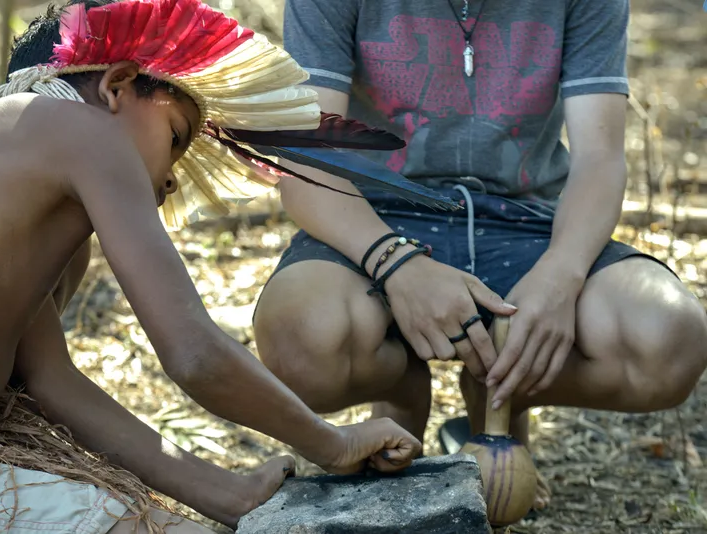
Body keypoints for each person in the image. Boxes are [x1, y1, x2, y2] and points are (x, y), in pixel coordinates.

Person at [0, 0, 422, 531]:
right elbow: (193, 352)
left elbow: (51, 381)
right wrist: (332, 442)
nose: (172, 180)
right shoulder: (87, 133)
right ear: (117, 86)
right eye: (176, 137)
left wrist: (230, 494)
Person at [253, 0, 707, 512]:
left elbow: (600, 159)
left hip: (523, 220)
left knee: (668, 341)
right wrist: (396, 262)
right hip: (376, 214)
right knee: (300, 344)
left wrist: (561, 274)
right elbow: (307, 158)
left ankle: (498, 383)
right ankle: (403, 388)